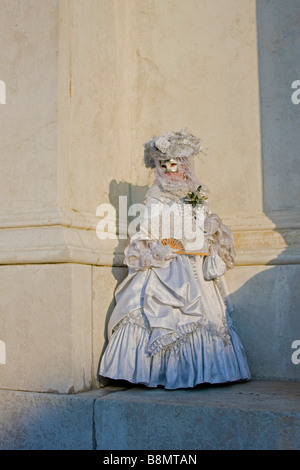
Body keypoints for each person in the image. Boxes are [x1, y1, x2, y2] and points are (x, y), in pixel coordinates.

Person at [99, 130, 251, 389]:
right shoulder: (156, 196)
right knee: (160, 316)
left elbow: (202, 225)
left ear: (185, 164)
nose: (171, 170)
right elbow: (146, 232)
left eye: (175, 164)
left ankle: (204, 372)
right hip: (166, 266)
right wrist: (158, 251)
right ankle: (153, 372)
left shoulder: (197, 193)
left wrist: (210, 226)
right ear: (158, 167)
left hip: (195, 266)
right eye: (164, 165)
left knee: (206, 318)